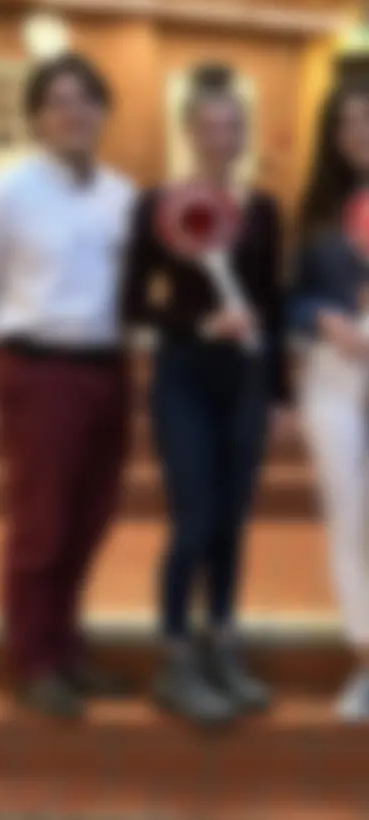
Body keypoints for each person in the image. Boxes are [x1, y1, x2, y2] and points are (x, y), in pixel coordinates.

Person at [0, 53, 135, 718]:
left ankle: (67, 649)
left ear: (101, 113)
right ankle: (35, 658)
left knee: (91, 517)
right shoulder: (6, 196)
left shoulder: (122, 195)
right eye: (59, 101)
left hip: (107, 371)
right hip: (39, 371)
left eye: (87, 100)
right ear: (37, 116)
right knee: (44, 521)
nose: (75, 113)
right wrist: (15, 362)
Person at [120, 63, 281, 725]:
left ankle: (222, 644)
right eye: (210, 125)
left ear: (242, 135)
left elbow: (275, 300)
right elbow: (132, 304)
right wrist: (200, 323)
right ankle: (177, 659)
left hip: (245, 383)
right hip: (183, 378)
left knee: (232, 521)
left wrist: (284, 395)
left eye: (232, 125)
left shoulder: (263, 209)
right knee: (196, 516)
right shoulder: (159, 206)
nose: (222, 136)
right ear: (191, 131)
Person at [288, 79, 369, 722]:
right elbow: (292, 297)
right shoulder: (316, 214)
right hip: (336, 379)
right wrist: (323, 318)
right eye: (348, 123)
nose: (359, 133)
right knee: (350, 520)